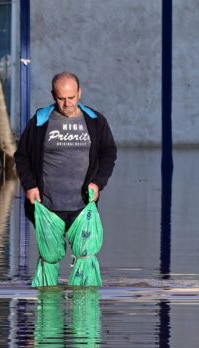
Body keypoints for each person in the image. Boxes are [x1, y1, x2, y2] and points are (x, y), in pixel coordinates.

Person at [15, 71, 117, 275]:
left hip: (83, 206)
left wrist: (97, 183)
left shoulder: (96, 121)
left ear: (80, 93)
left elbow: (108, 154)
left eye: (71, 97)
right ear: (53, 95)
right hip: (47, 205)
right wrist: (29, 185)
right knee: (50, 258)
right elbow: (22, 156)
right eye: (62, 98)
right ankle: (48, 300)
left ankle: (85, 302)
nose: (67, 103)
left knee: (86, 256)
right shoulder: (40, 121)